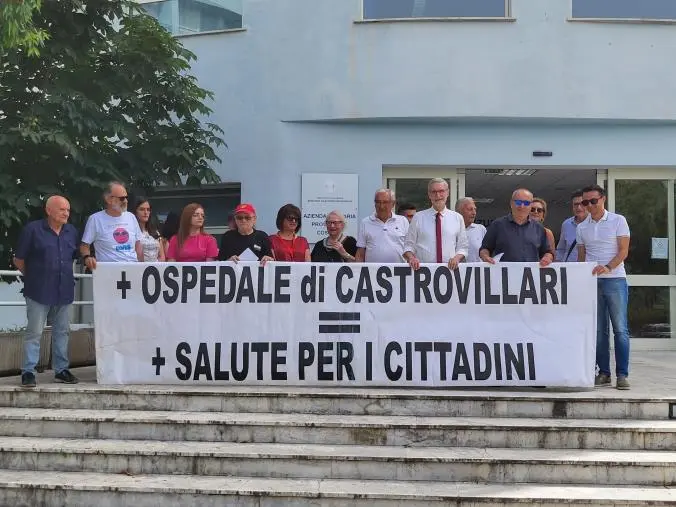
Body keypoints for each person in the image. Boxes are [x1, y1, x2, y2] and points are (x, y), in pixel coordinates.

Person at [13, 196, 79, 387]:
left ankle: (61, 370)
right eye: (62, 209)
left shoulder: (71, 231)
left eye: (68, 210)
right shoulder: (33, 230)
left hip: (64, 289)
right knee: (34, 332)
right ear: (48, 210)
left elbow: (72, 257)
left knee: (62, 331)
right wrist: (33, 276)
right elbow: (19, 259)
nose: (66, 213)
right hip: (38, 290)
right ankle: (28, 372)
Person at [576, 184, 631, 390]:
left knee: (620, 329)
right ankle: (604, 373)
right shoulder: (581, 227)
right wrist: (580, 278)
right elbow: (581, 257)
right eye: (585, 202)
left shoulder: (618, 220)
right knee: (599, 331)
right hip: (593, 282)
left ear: (603, 199)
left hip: (615, 279)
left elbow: (623, 251)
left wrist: (608, 268)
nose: (589, 205)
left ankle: (623, 374)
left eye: (593, 201)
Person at [404, 178, 468, 270]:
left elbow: (463, 247)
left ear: (447, 193)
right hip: (423, 273)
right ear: (429, 195)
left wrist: (456, 258)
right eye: (433, 192)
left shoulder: (457, 218)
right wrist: (411, 258)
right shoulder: (418, 217)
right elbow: (408, 245)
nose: (437, 195)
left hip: (450, 272)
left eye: (441, 191)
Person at [479, 188, 554, 266]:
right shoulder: (497, 225)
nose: (522, 206)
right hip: (504, 276)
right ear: (511, 203)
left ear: (530, 205)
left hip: (530, 276)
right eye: (518, 202)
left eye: (526, 203)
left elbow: (548, 252)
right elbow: (485, 248)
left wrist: (547, 258)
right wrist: (485, 257)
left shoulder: (539, 228)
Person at [80, 181, 143, 270]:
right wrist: (87, 258)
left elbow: (138, 245)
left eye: (126, 197)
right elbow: (84, 246)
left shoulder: (131, 217)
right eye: (122, 198)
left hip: (132, 270)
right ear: (109, 199)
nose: (125, 201)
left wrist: (141, 267)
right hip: (108, 272)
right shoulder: (95, 219)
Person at [355, 189, 409, 263]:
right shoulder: (365, 222)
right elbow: (360, 253)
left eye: (385, 202)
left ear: (393, 204)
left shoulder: (403, 221)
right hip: (372, 272)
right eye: (378, 202)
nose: (381, 206)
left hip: (399, 272)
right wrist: (358, 272)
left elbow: (409, 247)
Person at [556, 190, 588, 262]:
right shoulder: (566, 224)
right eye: (576, 204)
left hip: (589, 270)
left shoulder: (595, 224)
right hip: (569, 269)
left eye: (582, 204)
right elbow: (561, 249)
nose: (579, 207)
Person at [133, 196, 165, 262]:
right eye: (142, 209)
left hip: (156, 269)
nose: (146, 212)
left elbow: (162, 256)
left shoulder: (155, 232)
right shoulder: (131, 232)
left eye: (148, 209)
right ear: (135, 211)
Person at [455, 197, 486, 263]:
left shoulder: (481, 229)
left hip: (478, 272)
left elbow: (488, 252)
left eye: (475, 209)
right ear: (459, 211)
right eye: (470, 209)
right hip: (457, 272)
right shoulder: (451, 230)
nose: (474, 213)